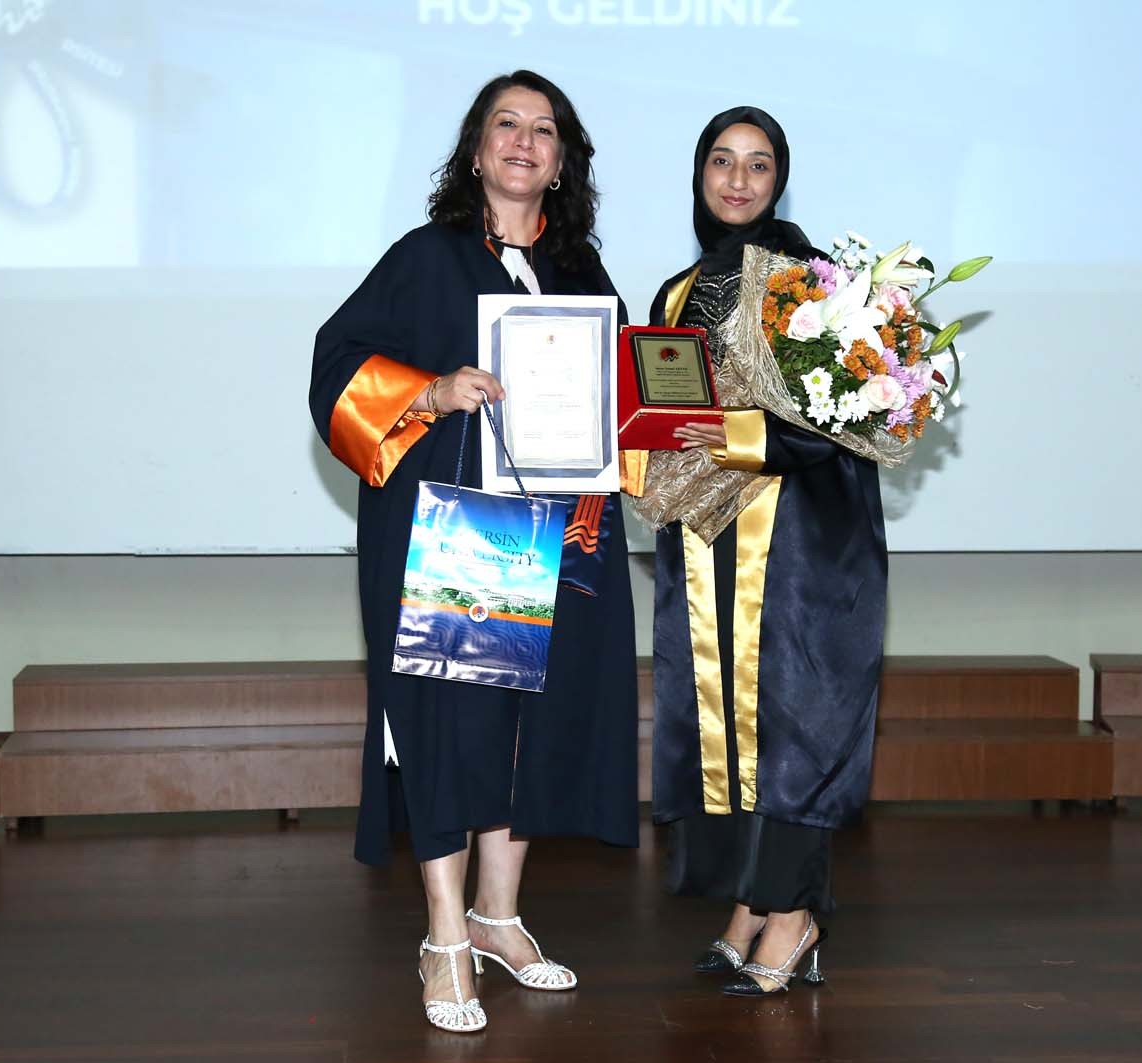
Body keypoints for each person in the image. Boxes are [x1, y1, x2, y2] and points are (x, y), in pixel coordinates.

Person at [308, 70, 637, 1034]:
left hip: (561, 534)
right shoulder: (426, 258)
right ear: (477, 148)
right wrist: (433, 390)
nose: (525, 141)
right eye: (507, 124)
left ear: (562, 160)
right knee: (452, 729)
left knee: (528, 726)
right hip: (460, 534)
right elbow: (337, 366)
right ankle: (444, 933)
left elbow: (618, 398)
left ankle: (499, 914)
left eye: (545, 129)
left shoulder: (584, 273)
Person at [642, 106, 885, 997]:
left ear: (778, 180)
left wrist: (736, 435)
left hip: (803, 541)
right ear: (700, 174)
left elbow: (835, 423)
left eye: (757, 163)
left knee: (795, 721)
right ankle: (750, 900)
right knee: (728, 724)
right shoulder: (676, 292)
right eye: (722, 160)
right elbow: (662, 411)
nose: (737, 179)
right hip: (708, 534)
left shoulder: (812, 286)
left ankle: (793, 914)